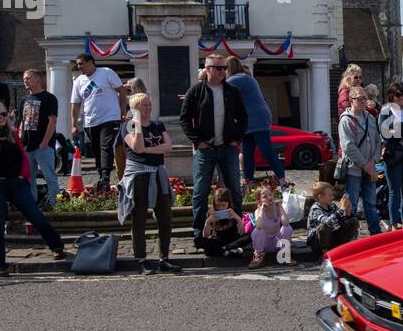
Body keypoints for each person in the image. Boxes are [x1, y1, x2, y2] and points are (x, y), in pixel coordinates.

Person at [0, 101, 65, 276]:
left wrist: (23, 175)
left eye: (4, 114)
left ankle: (56, 245)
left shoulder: (12, 133)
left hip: (15, 181)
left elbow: (23, 158)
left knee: (34, 214)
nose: (2, 118)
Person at [179, 55, 247, 242]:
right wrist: (197, 141)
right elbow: (184, 119)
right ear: (207, 69)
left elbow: (243, 117)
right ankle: (199, 230)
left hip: (227, 147)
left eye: (224, 68)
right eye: (218, 68)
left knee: (233, 188)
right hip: (205, 149)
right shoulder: (196, 91)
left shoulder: (232, 91)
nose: (222, 71)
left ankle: (236, 228)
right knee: (200, 191)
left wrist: (236, 139)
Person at [118, 93, 180, 274]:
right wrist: (136, 125)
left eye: (149, 104)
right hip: (139, 175)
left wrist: (148, 149)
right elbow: (136, 148)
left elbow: (169, 147)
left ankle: (164, 258)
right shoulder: (127, 126)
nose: (148, 108)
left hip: (158, 173)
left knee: (165, 217)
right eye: (144, 105)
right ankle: (141, 260)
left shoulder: (158, 125)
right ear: (135, 108)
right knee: (139, 218)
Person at [225, 57, 287, 191]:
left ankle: (282, 182)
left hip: (256, 119)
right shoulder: (247, 78)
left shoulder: (236, 79)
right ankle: (249, 183)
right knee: (248, 153)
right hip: (251, 119)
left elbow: (221, 88)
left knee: (266, 151)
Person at [69, 53, 128, 192]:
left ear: (91, 63)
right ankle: (101, 177)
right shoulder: (78, 81)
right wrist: (73, 124)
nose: (79, 67)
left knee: (105, 146)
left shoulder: (106, 73)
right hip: (90, 121)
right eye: (78, 65)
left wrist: (122, 112)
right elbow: (75, 104)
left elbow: (122, 91)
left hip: (110, 117)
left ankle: (106, 178)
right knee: (96, 150)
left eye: (81, 64)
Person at [338, 85, 383, 237]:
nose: (364, 101)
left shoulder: (370, 118)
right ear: (351, 100)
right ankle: (350, 235)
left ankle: (375, 233)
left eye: (365, 98)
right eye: (360, 98)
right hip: (354, 169)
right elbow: (348, 146)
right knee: (352, 204)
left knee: (371, 202)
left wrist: (374, 161)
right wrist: (366, 165)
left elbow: (377, 141)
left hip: (369, 166)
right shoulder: (346, 120)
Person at [379, 82, 403, 229]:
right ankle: (395, 223)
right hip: (393, 155)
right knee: (394, 191)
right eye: (398, 95)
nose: (401, 98)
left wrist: (398, 131)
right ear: (392, 96)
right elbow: (384, 133)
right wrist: (401, 131)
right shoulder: (385, 110)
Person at [19, 69, 59, 208]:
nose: (25, 81)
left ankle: (54, 204)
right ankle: (32, 205)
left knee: (50, 177)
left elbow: (52, 121)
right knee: (29, 178)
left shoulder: (49, 98)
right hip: (26, 145)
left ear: (38, 80)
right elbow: (21, 122)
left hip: (43, 145)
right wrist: (20, 141)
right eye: (24, 78)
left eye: (28, 78)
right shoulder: (24, 100)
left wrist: (45, 142)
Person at [306, 182, 358, 255]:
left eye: (332, 195)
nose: (333, 197)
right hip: (318, 243)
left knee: (353, 221)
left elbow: (341, 221)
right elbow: (327, 223)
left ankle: (346, 248)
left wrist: (348, 212)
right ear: (320, 197)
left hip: (331, 237)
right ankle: (324, 254)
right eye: (330, 195)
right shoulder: (315, 209)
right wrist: (342, 209)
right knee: (324, 226)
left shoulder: (332, 206)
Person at [198, 187, 251, 258]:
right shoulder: (211, 213)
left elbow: (242, 233)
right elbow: (206, 236)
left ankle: (224, 250)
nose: (221, 208)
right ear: (214, 203)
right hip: (218, 240)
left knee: (249, 236)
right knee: (201, 242)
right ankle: (230, 251)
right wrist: (207, 222)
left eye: (223, 205)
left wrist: (237, 218)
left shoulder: (234, 211)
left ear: (228, 203)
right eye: (218, 205)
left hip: (233, 240)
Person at [249, 184, 292, 268]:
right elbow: (259, 226)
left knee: (287, 228)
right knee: (257, 230)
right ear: (259, 201)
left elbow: (286, 223)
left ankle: (284, 254)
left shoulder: (277, 208)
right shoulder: (258, 211)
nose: (269, 197)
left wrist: (280, 207)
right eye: (265, 196)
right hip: (264, 243)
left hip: (276, 242)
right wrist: (261, 209)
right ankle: (259, 255)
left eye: (270, 194)